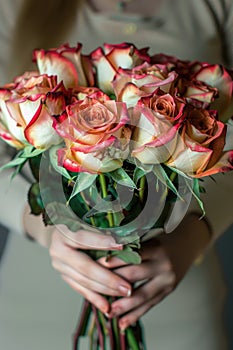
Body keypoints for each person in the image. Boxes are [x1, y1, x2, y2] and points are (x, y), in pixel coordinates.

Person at [0, 0, 232, 349]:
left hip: (177, 306)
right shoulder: (14, 6)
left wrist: (194, 234)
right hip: (37, 307)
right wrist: (45, 228)